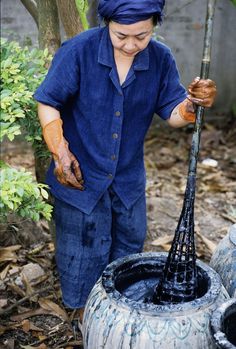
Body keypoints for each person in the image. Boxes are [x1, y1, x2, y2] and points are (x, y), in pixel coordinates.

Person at [34, 0, 216, 324]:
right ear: (107, 23)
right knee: (81, 252)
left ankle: (120, 319)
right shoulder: (78, 51)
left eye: (141, 36)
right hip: (79, 177)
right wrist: (60, 150)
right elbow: (48, 102)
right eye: (121, 36)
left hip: (128, 179)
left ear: (154, 26)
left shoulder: (160, 58)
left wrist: (192, 104)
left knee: (129, 250)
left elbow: (173, 112)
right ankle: (85, 319)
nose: (132, 45)